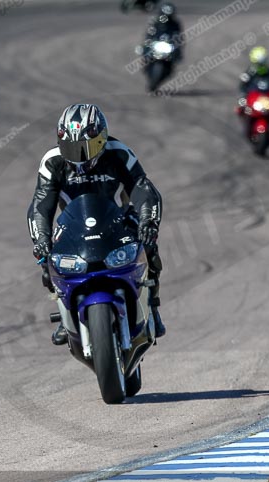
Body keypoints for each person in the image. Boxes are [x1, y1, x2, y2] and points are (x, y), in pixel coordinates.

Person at [28, 104, 166, 346]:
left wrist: (148, 223)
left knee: (149, 247)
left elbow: (144, 189)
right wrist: (41, 239)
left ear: (101, 139)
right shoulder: (52, 162)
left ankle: (152, 306)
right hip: (73, 222)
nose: (79, 155)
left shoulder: (119, 153)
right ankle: (65, 315)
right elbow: (41, 205)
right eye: (71, 147)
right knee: (48, 258)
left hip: (120, 216)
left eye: (85, 148)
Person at [239, 46, 269, 134]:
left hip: (267, 99)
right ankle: (247, 127)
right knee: (243, 109)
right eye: (259, 64)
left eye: (263, 63)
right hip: (254, 100)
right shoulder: (249, 73)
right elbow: (242, 87)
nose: (261, 66)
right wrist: (242, 100)